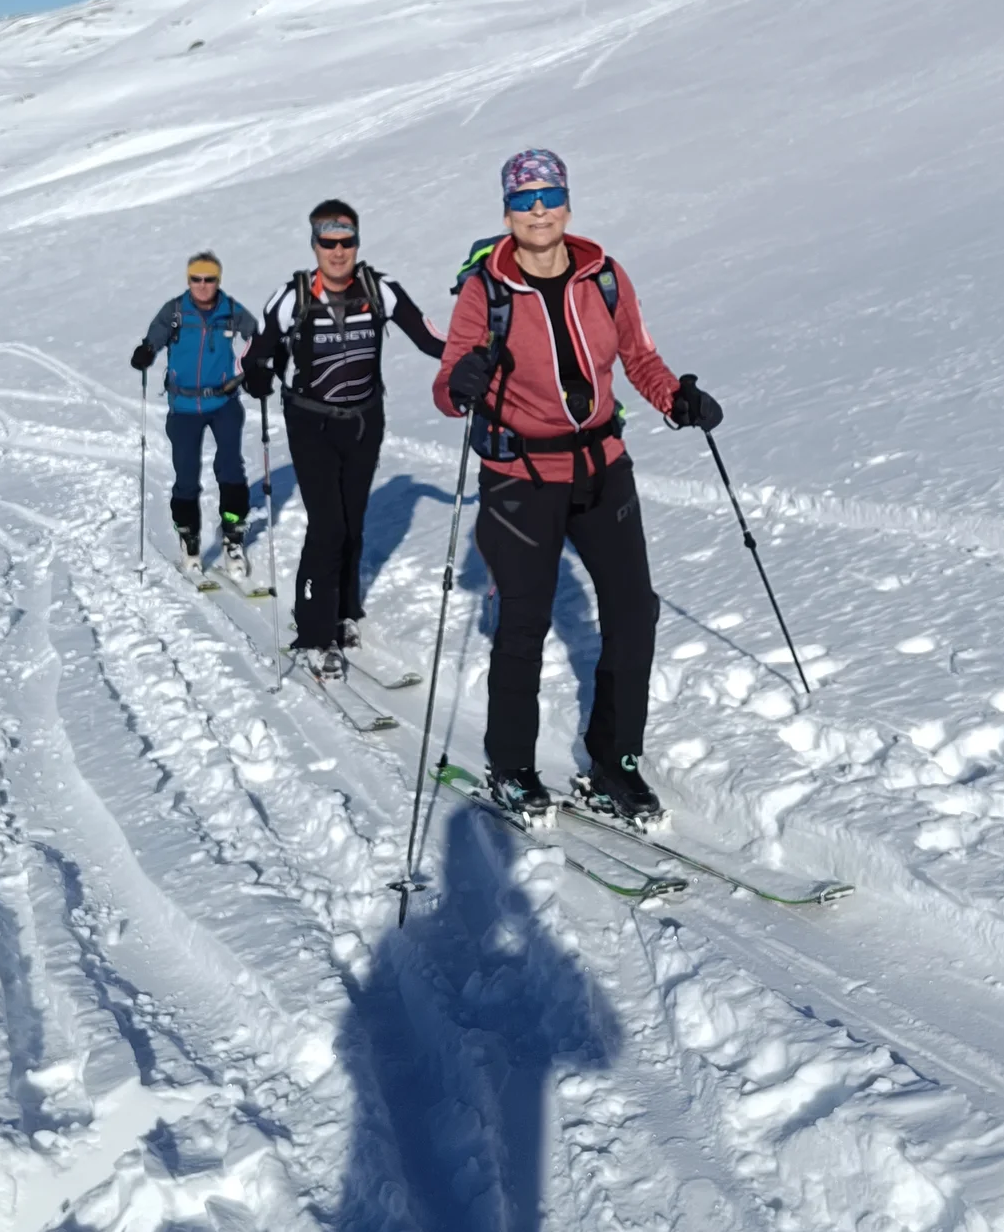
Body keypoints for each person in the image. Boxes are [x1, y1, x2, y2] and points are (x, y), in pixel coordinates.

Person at [433, 147, 721, 827]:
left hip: (601, 467)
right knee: (524, 622)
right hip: (520, 478)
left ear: (567, 202)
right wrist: (463, 384)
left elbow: (639, 356)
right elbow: (448, 385)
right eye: (525, 200)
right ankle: (512, 768)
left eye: (550, 196)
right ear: (507, 210)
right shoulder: (487, 289)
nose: (539, 211)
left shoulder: (605, 276)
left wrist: (675, 399)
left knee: (633, 612)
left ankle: (615, 762)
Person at [243, 198, 445, 674]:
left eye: (346, 241)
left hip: (364, 420)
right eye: (328, 242)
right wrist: (257, 373)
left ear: (357, 242)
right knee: (328, 525)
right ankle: (314, 631)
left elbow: (431, 339)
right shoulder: (291, 296)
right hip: (310, 422)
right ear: (314, 244)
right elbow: (256, 351)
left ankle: (345, 611)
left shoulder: (380, 289)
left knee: (353, 522)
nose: (338, 251)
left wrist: (479, 354)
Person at [130, 252, 261, 575]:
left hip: (224, 402)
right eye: (196, 279)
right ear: (189, 280)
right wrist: (146, 352)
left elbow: (259, 339)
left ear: (218, 280)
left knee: (231, 468)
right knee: (186, 474)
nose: (203, 286)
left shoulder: (231, 311)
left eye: (209, 279)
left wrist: (256, 366)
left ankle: (233, 534)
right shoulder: (174, 312)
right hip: (184, 407)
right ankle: (188, 535)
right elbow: (155, 339)